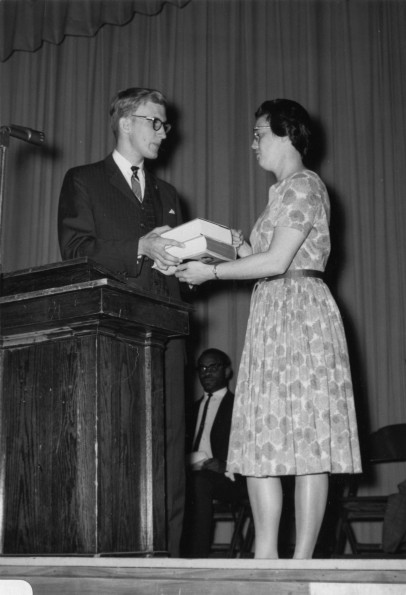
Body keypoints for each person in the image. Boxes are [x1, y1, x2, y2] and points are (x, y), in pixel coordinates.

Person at [175, 98, 362, 559]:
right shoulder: (279, 194)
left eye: (260, 132)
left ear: (286, 133)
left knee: (307, 441)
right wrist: (229, 249)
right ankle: (264, 558)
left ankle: (299, 563)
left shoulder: (304, 186)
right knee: (261, 439)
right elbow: (261, 256)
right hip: (273, 318)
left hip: (300, 317)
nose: (253, 142)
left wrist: (212, 274)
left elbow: (279, 261)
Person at [58, 87, 188, 557]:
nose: (164, 132)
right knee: (119, 449)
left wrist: (199, 261)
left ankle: (168, 566)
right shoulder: (84, 181)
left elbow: (173, 266)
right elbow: (76, 253)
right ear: (126, 122)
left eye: (165, 124)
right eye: (156, 122)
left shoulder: (169, 194)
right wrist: (139, 247)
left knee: (170, 458)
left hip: (168, 333)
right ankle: (116, 563)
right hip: (114, 334)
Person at [180, 348, 247, 558]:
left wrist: (226, 464)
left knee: (200, 482)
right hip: (193, 474)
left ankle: (196, 558)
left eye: (213, 367)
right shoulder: (190, 410)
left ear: (227, 372)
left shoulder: (239, 407)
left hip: (229, 479)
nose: (206, 373)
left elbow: (251, 450)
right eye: (202, 368)